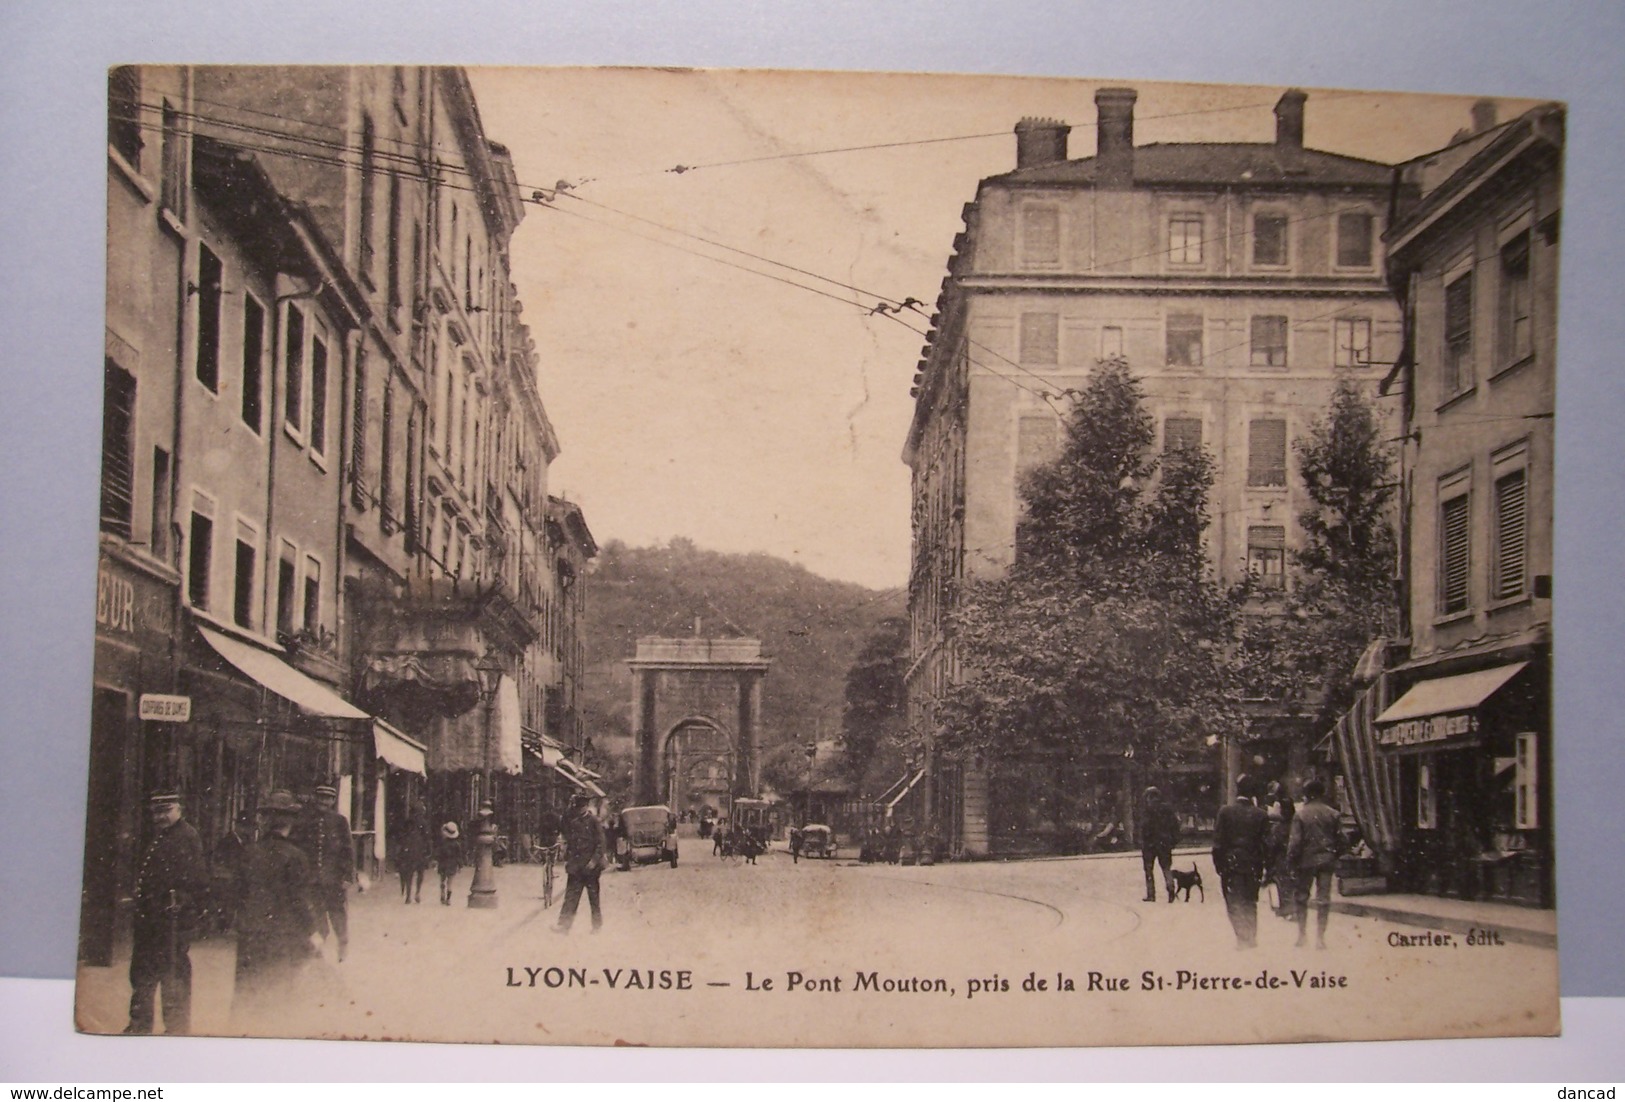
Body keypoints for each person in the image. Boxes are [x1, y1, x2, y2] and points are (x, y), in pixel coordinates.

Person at [124, 791, 209, 1035]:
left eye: (166, 810)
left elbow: (198, 880)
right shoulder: (161, 836)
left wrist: (180, 905)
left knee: (173, 975)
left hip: (172, 921)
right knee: (142, 973)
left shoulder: (187, 836)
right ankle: (139, 1024)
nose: (160, 816)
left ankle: (176, 1029)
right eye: (156, 811)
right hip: (151, 919)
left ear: (180, 809)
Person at [233, 791, 318, 1017]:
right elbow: (299, 900)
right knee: (278, 994)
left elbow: (237, 894)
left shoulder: (248, 852)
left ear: (264, 821)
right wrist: (311, 930)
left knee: (247, 993)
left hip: (250, 933)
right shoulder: (296, 856)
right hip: (282, 935)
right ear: (290, 822)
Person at [292, 782, 353, 962]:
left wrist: (347, 876)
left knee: (337, 914)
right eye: (321, 797)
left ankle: (343, 943)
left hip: (334, 879)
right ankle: (319, 950)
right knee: (317, 914)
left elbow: (347, 850)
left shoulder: (340, 821)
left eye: (327, 798)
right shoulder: (305, 820)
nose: (323, 802)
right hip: (313, 879)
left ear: (333, 800)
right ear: (315, 798)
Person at [1212, 774, 1270, 949]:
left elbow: (1218, 843)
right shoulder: (1261, 815)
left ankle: (1242, 937)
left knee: (1233, 902)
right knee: (1250, 901)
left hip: (1231, 864)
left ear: (1238, 790)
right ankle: (1251, 936)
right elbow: (1266, 844)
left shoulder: (1225, 812)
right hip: (1253, 864)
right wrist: (1265, 867)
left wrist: (1219, 866)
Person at [1286, 778, 1345, 949]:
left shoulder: (1301, 815)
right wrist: (1334, 854)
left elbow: (1295, 843)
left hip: (1305, 862)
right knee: (1323, 899)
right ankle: (1320, 938)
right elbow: (1342, 840)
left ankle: (1302, 935)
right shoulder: (1333, 814)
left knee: (1302, 897)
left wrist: (1290, 862)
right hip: (1327, 860)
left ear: (1307, 795)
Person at [554, 794, 608, 934]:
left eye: (581, 807)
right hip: (576, 866)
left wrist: (594, 861)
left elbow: (601, 844)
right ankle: (564, 925)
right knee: (571, 896)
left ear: (586, 807)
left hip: (591, 866)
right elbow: (567, 836)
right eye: (577, 807)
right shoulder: (573, 822)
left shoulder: (594, 822)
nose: (579, 810)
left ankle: (597, 926)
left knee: (593, 897)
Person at [1138, 787, 1180, 903]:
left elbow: (1143, 827)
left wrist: (1142, 841)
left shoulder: (1147, 811)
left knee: (1148, 870)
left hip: (1149, 845)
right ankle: (1171, 889)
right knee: (1166, 868)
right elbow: (1175, 826)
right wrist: (1173, 842)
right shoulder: (1167, 809)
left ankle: (1151, 894)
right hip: (1164, 844)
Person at [1262, 779, 1297, 916]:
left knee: (1283, 884)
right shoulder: (1296, 825)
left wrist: (1269, 862)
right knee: (1293, 884)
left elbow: (1272, 846)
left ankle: (1286, 908)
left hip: (1282, 859)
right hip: (1295, 858)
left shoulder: (1278, 828)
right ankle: (1293, 909)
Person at [393, 805, 432, 904]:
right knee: (420, 873)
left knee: (409, 873)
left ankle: (408, 895)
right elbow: (427, 838)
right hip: (420, 850)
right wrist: (429, 851)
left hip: (409, 849)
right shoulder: (424, 823)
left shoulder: (408, 822)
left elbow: (402, 836)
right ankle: (417, 892)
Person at [435, 822, 463, 905]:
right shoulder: (457, 844)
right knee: (450, 882)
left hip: (443, 863)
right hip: (452, 864)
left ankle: (442, 893)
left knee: (442, 880)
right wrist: (460, 866)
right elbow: (459, 856)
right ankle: (448, 899)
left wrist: (436, 861)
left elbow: (438, 854)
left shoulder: (442, 843)